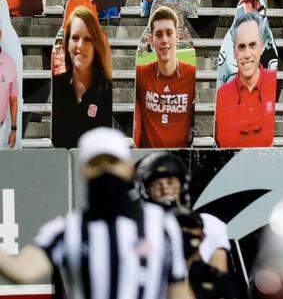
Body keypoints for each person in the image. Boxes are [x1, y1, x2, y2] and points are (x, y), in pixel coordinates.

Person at [0, 128, 191, 299]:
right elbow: (23, 270)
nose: (105, 168)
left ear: (128, 169)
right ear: (84, 170)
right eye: (96, 163)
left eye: (112, 161)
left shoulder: (161, 225)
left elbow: (178, 291)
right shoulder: (65, 230)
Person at [134, 152, 238, 299]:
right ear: (146, 190)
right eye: (157, 185)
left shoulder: (209, 224)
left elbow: (219, 278)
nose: (165, 189)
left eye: (170, 182)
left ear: (182, 185)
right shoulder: (140, 227)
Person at [134, 6, 196, 148]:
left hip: (180, 160)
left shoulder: (192, 75)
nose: (164, 40)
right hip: (148, 158)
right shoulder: (141, 74)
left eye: (169, 33)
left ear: (178, 37)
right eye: (159, 34)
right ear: (151, 40)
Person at [51, 5, 113, 148]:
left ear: (96, 45)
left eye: (88, 39)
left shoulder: (107, 90)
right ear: (66, 43)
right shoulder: (56, 86)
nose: (80, 45)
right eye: (75, 38)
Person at [214, 11, 276, 148]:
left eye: (252, 45)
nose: (247, 54)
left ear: (261, 47)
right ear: (234, 52)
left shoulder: (274, 84)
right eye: (242, 47)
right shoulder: (222, 95)